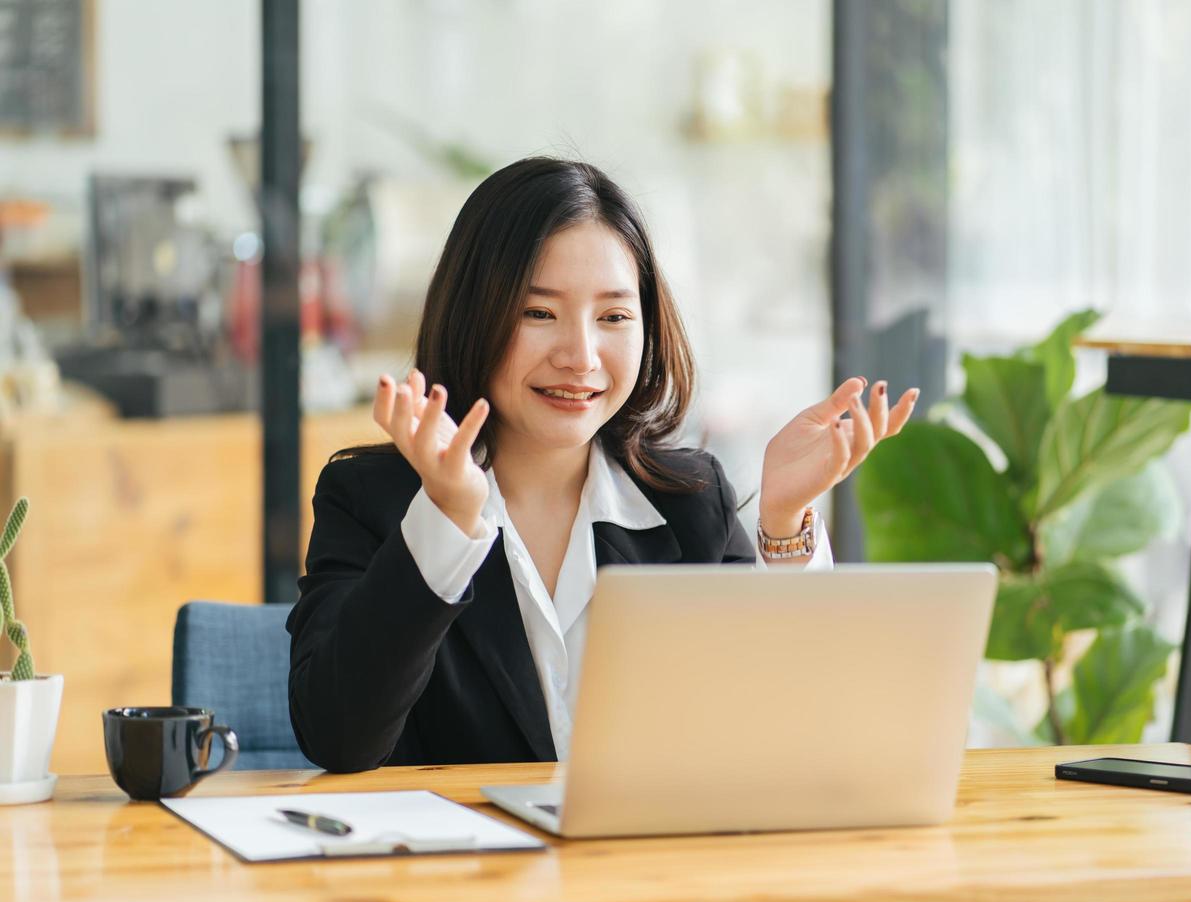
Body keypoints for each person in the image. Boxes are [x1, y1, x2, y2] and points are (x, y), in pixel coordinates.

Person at [287, 157, 917, 774]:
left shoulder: (691, 504)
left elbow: (792, 734)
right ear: (471, 313)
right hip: (460, 874)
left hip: (647, 874)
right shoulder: (369, 498)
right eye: (539, 313)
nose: (581, 356)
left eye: (614, 316)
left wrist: (784, 521)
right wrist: (447, 518)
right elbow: (340, 738)